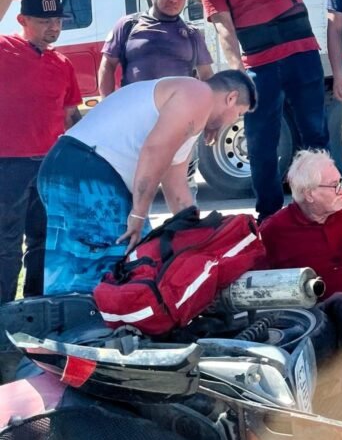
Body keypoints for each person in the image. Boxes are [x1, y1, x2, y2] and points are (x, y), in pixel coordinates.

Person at [38, 70, 256, 294]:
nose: (233, 122)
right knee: (105, 269)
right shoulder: (198, 93)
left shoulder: (185, 109)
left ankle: (69, 322)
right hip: (88, 170)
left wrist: (196, 235)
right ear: (231, 98)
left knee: (100, 263)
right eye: (238, 114)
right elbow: (153, 151)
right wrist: (139, 214)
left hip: (68, 164)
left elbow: (176, 185)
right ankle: (91, 325)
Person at [199, 0, 329, 220]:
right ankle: (269, 216)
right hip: (259, 67)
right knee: (260, 145)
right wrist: (239, 76)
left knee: (315, 137)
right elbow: (224, 29)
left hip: (301, 54)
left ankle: (323, 205)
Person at [0, 0, 82, 303]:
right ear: (22, 20)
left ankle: (34, 305)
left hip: (48, 166)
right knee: (6, 244)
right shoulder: (4, 48)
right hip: (7, 164)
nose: (53, 27)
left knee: (45, 240)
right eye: (44, 20)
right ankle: (4, 311)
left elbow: (71, 116)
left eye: (58, 20)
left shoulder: (62, 63)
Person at [98, 0, 213, 94]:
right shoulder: (128, 25)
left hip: (180, 108)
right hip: (137, 107)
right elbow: (108, 65)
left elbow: (206, 74)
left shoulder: (192, 33)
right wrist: (107, 103)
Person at [259, 149, 342, 299]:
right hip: (316, 312)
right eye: (335, 185)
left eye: (341, 182)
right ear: (309, 194)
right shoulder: (274, 230)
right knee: (341, 302)